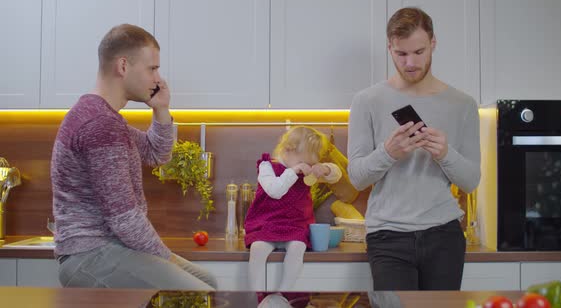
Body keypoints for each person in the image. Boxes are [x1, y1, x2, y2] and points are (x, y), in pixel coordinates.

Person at [51, 24, 217, 290]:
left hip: (111, 248)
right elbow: (124, 217)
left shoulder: (106, 119)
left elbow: (156, 154)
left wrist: (161, 109)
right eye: (152, 68)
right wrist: (166, 259)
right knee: (198, 293)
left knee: (208, 282)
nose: (157, 78)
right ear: (123, 66)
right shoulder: (99, 124)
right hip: (92, 254)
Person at [347, 7, 481, 291]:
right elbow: (357, 177)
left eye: (418, 52)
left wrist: (446, 154)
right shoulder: (366, 101)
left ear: (433, 43)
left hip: (445, 234)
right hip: (387, 236)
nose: (410, 62)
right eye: (401, 54)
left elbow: (470, 181)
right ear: (389, 48)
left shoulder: (463, 104)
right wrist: (388, 152)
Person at [244, 126, 342, 291]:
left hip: (295, 226)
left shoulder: (306, 171)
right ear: (287, 150)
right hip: (267, 224)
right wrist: (293, 171)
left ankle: (284, 292)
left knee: (298, 247)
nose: (307, 167)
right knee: (257, 248)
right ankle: (258, 293)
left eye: (311, 163)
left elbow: (337, 175)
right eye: (304, 162)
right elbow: (275, 191)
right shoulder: (267, 167)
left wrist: (325, 169)